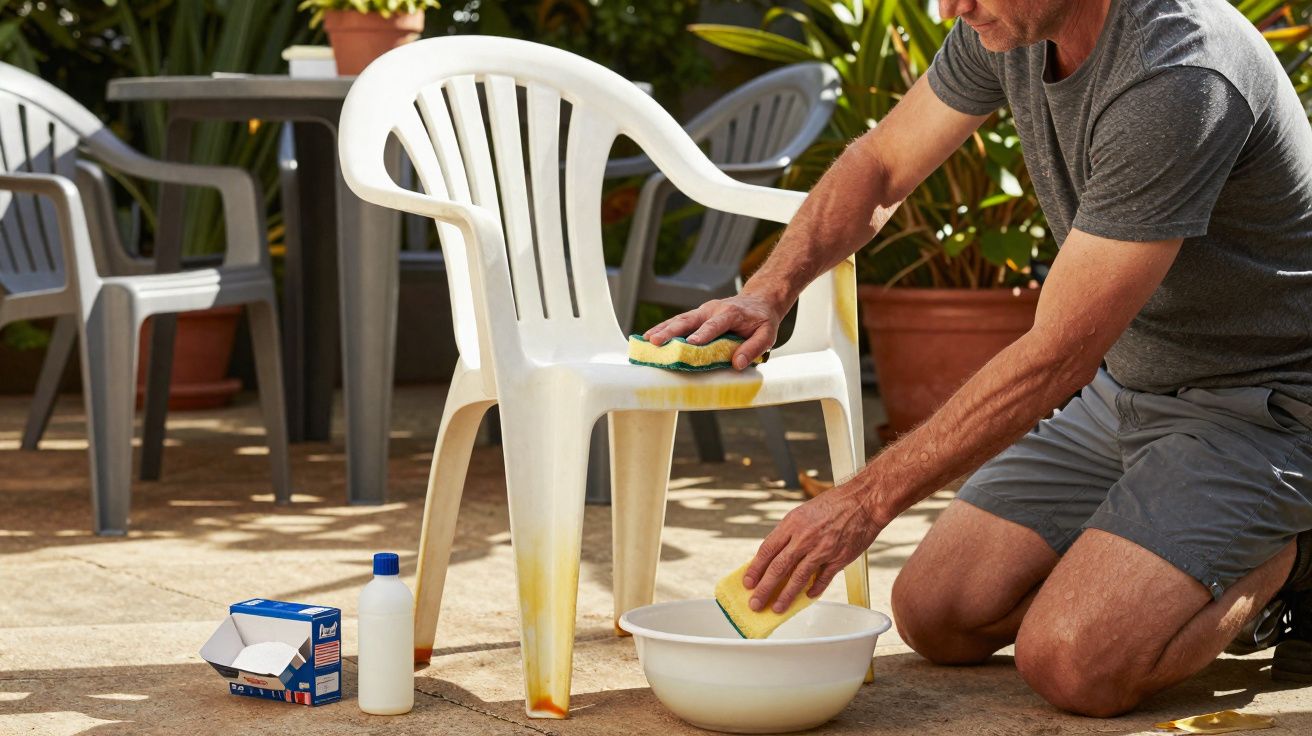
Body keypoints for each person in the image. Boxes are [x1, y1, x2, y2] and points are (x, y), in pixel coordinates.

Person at [643, 0, 1312, 716]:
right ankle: (1167, 547)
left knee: (1073, 665)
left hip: (1265, 407)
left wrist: (863, 502)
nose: (952, 7)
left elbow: (1058, 355)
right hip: (1129, 387)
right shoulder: (1010, 26)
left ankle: (1294, 557)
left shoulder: (1177, 74)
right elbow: (880, 163)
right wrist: (769, 293)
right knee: (938, 613)